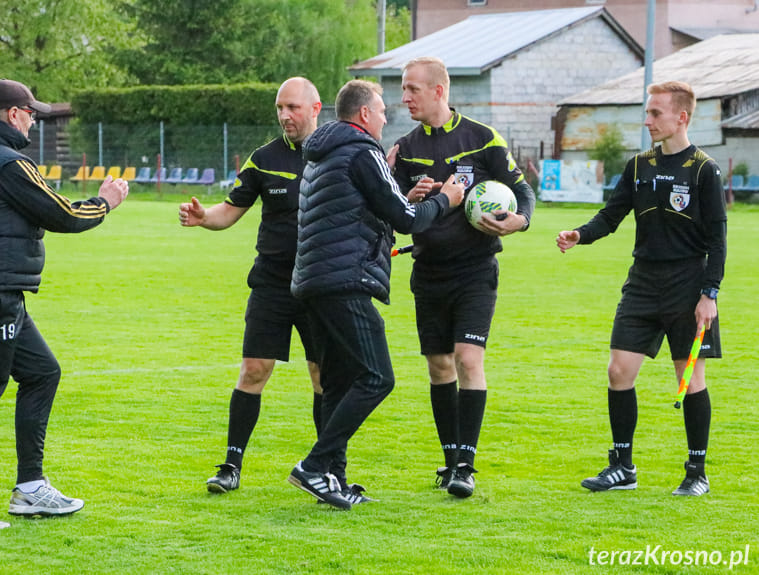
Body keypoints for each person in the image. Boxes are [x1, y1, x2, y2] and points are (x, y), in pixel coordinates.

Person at [0, 79, 129, 528]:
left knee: (42, 372)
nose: (35, 119)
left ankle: (30, 488)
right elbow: (60, 213)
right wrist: (104, 202)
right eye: (31, 112)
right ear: (13, 114)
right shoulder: (7, 162)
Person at [288, 79, 464, 509]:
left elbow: (357, 211)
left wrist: (407, 196)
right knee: (377, 377)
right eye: (383, 109)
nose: (388, 116)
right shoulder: (363, 150)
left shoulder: (322, 152)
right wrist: (447, 200)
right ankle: (314, 466)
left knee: (337, 382)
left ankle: (333, 478)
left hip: (311, 281)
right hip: (344, 283)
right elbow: (406, 220)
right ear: (364, 114)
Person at [557, 81, 726, 496]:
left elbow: (718, 239)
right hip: (643, 283)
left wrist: (710, 295)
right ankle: (622, 467)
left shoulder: (705, 169)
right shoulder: (638, 166)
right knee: (618, 371)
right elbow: (610, 216)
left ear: (681, 117)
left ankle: (696, 472)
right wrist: (580, 234)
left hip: (688, 285)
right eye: (647, 113)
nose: (647, 120)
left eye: (655, 113)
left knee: (688, 380)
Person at [390, 57, 535, 499]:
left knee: (468, 359)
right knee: (438, 367)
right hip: (427, 271)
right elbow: (392, 213)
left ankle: (466, 465)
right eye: (403, 88)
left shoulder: (482, 138)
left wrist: (521, 220)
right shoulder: (406, 148)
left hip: (475, 271)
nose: (405, 97)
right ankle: (451, 459)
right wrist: (406, 194)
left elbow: (523, 189)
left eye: (413, 89)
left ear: (439, 90)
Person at [179, 77, 324, 494]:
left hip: (318, 285)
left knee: (323, 376)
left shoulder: (334, 154)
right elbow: (230, 210)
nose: (285, 115)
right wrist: (203, 216)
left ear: (315, 108)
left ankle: (328, 466)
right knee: (253, 370)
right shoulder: (264, 159)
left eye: (293, 107)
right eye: (280, 108)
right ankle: (231, 465)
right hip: (272, 286)